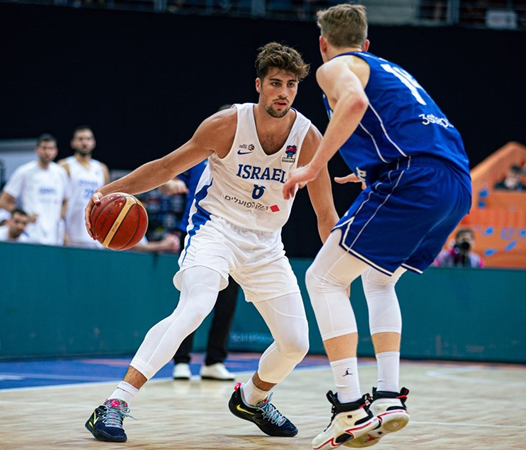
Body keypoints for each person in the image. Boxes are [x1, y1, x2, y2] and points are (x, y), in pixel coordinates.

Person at [83, 42, 338, 443]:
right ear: (259, 84)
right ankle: (114, 403)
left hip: (267, 243)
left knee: (296, 344)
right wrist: (106, 191)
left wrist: (337, 266)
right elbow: (167, 166)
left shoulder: (308, 138)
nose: (283, 92)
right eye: (275, 83)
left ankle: (252, 399)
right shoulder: (226, 124)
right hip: (214, 228)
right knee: (195, 307)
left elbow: (326, 214)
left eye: (291, 85)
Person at [283, 4, 472, 448]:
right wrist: (370, 170)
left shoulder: (336, 68)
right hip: (455, 183)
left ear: (322, 44)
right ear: (367, 43)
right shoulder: (390, 69)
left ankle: (349, 408)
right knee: (379, 280)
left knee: (322, 279)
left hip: (414, 178)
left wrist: (313, 166)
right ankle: (388, 397)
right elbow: (403, 129)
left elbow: (354, 102)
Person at [170, 159, 238, 382]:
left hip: (233, 235)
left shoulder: (243, 156)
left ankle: (214, 361)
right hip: (196, 232)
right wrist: (169, 184)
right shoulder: (197, 155)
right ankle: (181, 361)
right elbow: (167, 177)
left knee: (226, 303)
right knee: (192, 300)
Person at [0, 134, 69, 245]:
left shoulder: (60, 173)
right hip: (31, 233)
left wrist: (58, 218)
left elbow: (65, 201)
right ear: (37, 150)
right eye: (44, 148)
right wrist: (23, 217)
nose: (47, 152)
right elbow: (3, 201)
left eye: (50, 148)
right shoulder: (25, 171)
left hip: (54, 235)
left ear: (56, 151)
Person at [59, 126, 110, 248]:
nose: (84, 142)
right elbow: (59, 201)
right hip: (71, 233)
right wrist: (62, 232)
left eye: (88, 139)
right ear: (73, 143)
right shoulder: (64, 166)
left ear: (93, 142)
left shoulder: (102, 168)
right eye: (80, 139)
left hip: (95, 234)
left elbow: (107, 201)